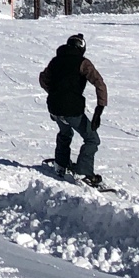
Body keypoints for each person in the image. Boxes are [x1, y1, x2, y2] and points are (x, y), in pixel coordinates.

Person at [39, 32, 108, 185]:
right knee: (92, 139)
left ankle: (61, 164)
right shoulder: (83, 63)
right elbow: (100, 84)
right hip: (71, 109)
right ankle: (83, 173)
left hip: (54, 108)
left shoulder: (55, 61)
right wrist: (99, 109)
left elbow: (43, 79)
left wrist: (55, 93)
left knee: (65, 132)